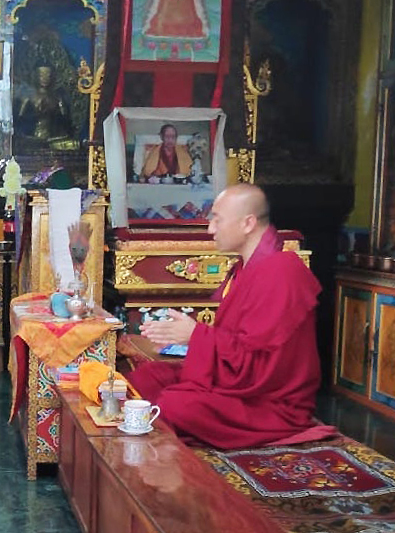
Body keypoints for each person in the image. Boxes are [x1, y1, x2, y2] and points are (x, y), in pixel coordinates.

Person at [127, 184, 334, 449]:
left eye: (217, 219)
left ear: (248, 223)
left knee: (174, 405)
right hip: (237, 384)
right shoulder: (243, 269)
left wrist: (196, 336)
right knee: (146, 378)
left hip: (269, 401)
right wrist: (189, 339)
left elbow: (258, 367)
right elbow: (234, 344)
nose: (210, 229)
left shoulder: (281, 272)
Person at [15, 64, 75, 150]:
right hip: (32, 138)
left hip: (53, 139)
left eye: (48, 75)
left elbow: (65, 122)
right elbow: (20, 121)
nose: (45, 78)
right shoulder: (28, 97)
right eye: (41, 75)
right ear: (35, 76)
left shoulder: (57, 98)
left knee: (72, 144)